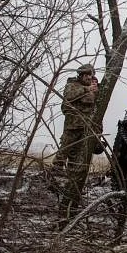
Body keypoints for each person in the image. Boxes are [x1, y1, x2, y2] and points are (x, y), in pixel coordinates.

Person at [54, 63, 103, 211]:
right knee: (65, 151)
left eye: (90, 75)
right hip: (72, 127)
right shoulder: (73, 85)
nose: (89, 77)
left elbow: (97, 111)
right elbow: (69, 97)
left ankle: (71, 185)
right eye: (86, 75)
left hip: (86, 129)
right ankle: (54, 177)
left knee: (77, 160)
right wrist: (87, 90)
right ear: (80, 76)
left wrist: (98, 133)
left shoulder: (95, 89)